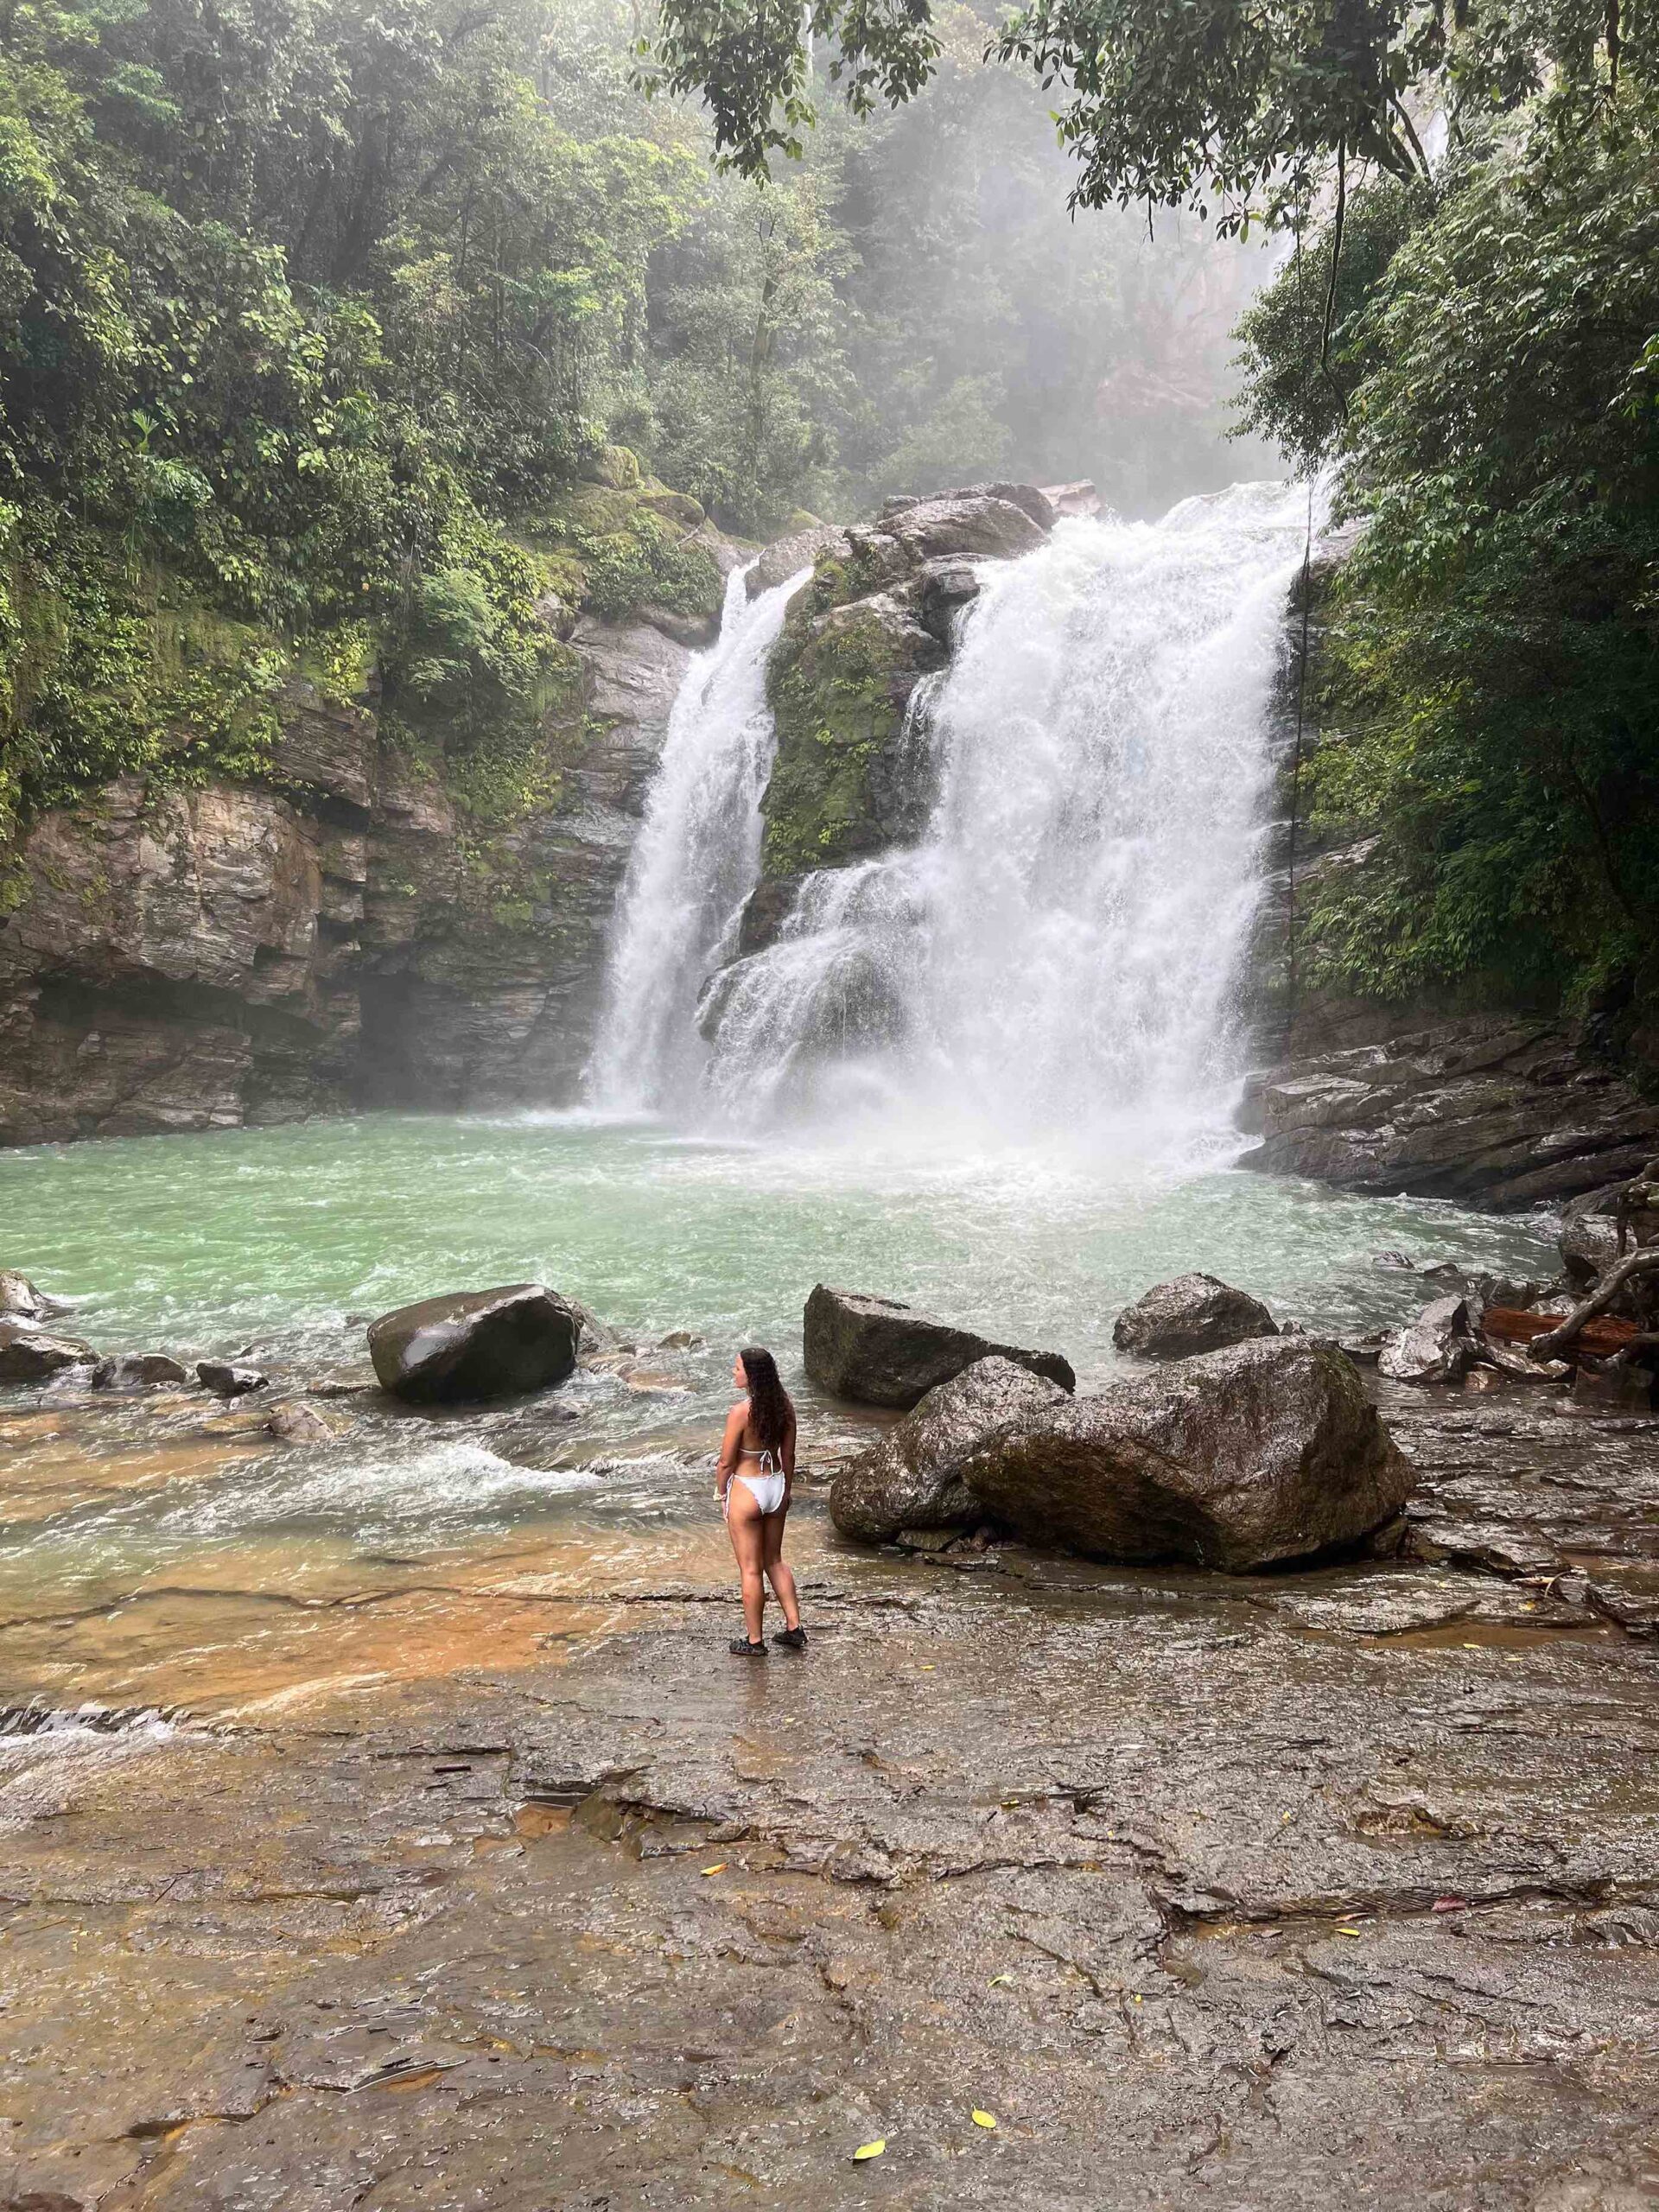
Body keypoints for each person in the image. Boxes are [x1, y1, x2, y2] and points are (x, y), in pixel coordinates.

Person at [716, 1345, 805, 1656]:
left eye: (737, 1367)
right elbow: (789, 1455)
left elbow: (726, 1463)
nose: (734, 1371)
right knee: (775, 1560)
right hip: (776, 1486)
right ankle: (794, 1628)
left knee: (750, 1570)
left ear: (751, 1375)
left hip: (748, 1488)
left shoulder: (741, 1412)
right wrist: (787, 1492)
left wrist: (722, 1494)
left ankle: (754, 1641)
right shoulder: (786, 1406)